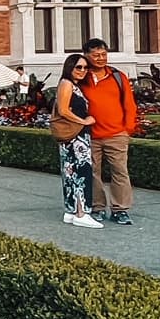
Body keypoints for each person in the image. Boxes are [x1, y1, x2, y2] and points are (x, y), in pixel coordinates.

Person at [79, 37, 139, 225]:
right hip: (90, 135)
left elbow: (129, 105)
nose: (100, 58)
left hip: (116, 134)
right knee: (93, 172)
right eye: (96, 55)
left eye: (104, 54)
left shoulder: (117, 77)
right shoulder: (81, 77)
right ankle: (97, 207)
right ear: (86, 56)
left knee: (120, 171)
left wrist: (127, 128)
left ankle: (120, 209)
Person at [53, 53, 100, 227]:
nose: (82, 70)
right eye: (78, 67)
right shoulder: (66, 84)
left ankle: (72, 211)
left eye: (85, 68)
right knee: (82, 172)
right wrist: (84, 121)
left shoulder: (73, 85)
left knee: (71, 173)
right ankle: (82, 213)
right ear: (69, 68)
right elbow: (63, 110)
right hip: (76, 137)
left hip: (74, 137)